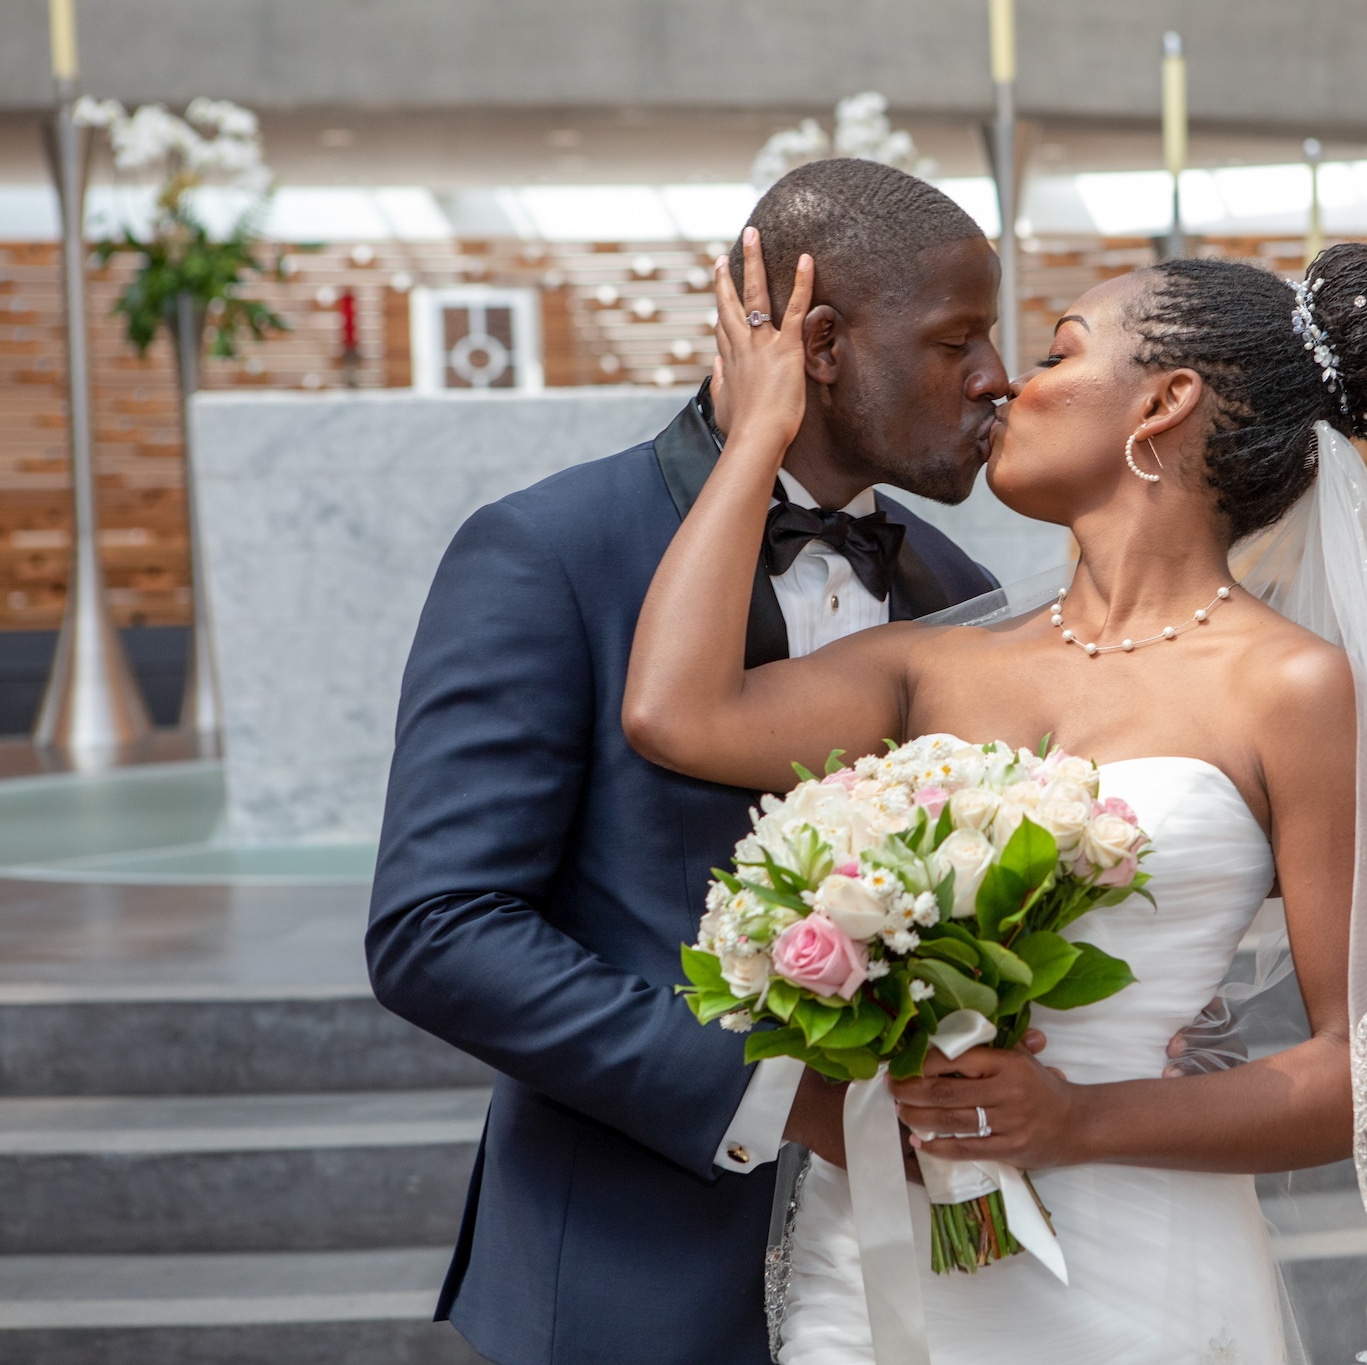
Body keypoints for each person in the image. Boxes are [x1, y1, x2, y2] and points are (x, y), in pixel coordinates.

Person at [622, 225, 1367, 1365]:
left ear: (1160, 404)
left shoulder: (1295, 691)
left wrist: (1076, 1119)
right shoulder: (934, 663)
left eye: (1060, 353)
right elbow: (675, 712)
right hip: (876, 1255)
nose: (1012, 381)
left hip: (1132, 1261)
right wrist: (754, 432)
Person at [365, 161, 1007, 1365]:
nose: (995, 377)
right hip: (634, 1268)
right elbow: (437, 930)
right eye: (955, 338)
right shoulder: (548, 554)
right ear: (818, 342)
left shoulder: (957, 595)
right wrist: (779, 1101)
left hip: (921, 1276)